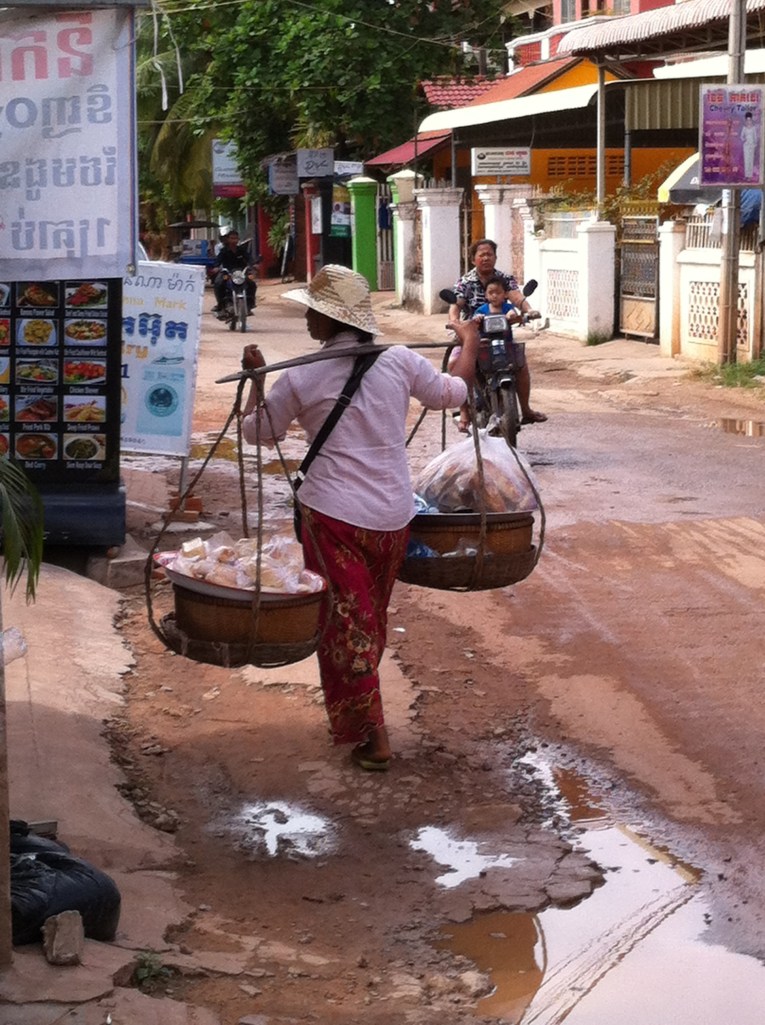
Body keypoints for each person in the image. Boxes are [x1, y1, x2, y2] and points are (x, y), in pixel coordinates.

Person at [240, 265, 481, 772]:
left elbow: (258, 432)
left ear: (330, 318)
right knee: (367, 619)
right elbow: (451, 395)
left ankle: (371, 735)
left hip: (334, 516)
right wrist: (469, 345)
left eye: (312, 310)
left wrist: (255, 382)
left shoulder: (303, 373)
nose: (306, 318)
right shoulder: (399, 360)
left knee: (347, 626)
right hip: (393, 518)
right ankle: (362, 717)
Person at [449, 238, 546, 425]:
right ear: (473, 259)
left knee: (520, 364)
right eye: (481, 255)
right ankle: (464, 412)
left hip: (501, 333)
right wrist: (454, 322)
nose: (486, 258)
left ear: (495, 257)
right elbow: (456, 304)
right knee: (455, 363)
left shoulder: (504, 279)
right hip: (473, 334)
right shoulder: (465, 282)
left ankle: (525, 410)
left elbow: (516, 297)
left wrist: (528, 310)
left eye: (489, 254)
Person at [450, 275, 523, 432]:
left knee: (520, 365)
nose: (495, 295)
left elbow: (514, 314)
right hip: (484, 346)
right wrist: (475, 320)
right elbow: (472, 316)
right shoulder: (481, 308)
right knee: (469, 367)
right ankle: (468, 404)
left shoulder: (507, 308)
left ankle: (524, 409)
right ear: (486, 295)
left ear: (505, 294)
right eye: (491, 293)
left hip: (504, 346)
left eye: (498, 292)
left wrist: (514, 316)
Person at [212, 228, 257, 313]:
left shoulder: (241, 250)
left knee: (252, 284)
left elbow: (249, 258)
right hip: (227, 272)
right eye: (232, 238)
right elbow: (218, 260)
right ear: (228, 239)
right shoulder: (224, 251)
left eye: (236, 238)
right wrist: (216, 267)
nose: (234, 240)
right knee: (219, 283)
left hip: (241, 273)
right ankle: (220, 304)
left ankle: (250, 303)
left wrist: (253, 264)